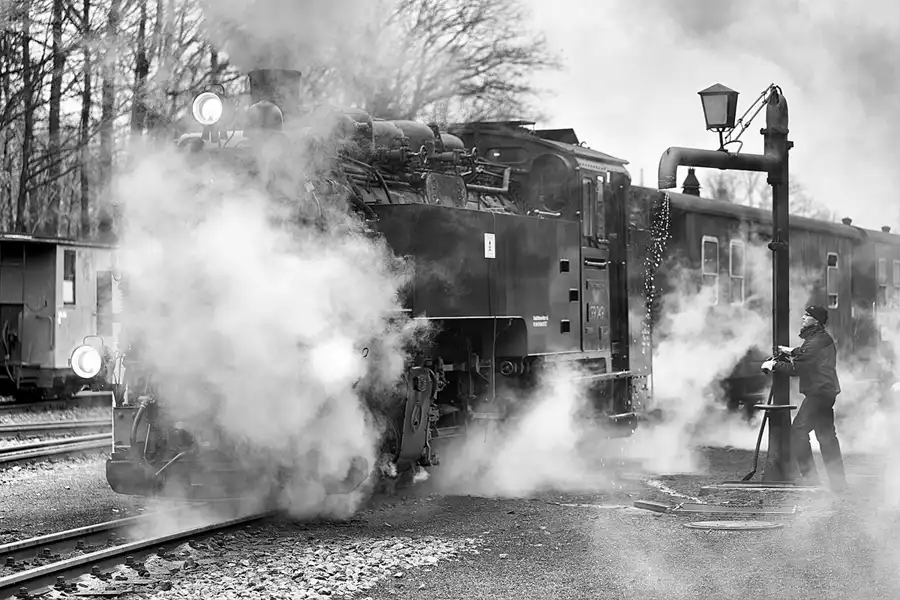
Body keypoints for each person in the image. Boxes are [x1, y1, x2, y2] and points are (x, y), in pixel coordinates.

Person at [761, 305, 847, 492]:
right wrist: (790, 351)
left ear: (815, 321)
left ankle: (811, 478)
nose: (803, 317)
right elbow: (806, 353)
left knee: (798, 431)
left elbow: (797, 368)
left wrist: (774, 364)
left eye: (807, 316)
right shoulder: (820, 338)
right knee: (826, 437)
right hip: (826, 392)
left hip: (818, 393)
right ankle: (838, 483)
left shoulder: (816, 340)